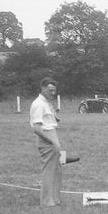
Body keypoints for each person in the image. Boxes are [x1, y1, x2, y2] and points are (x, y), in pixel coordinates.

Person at [30, 78, 62, 206]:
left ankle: (55, 199)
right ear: (42, 88)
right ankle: (46, 201)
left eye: (54, 90)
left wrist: (55, 117)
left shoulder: (46, 102)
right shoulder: (39, 104)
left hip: (52, 135)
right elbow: (36, 129)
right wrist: (52, 142)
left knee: (57, 169)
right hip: (47, 139)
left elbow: (48, 118)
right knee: (49, 170)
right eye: (50, 90)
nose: (53, 93)